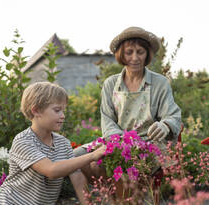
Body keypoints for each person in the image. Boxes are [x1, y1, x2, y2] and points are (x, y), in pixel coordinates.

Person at [0, 82, 105, 205]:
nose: (63, 115)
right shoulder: (23, 141)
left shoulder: (63, 144)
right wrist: (92, 155)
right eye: (57, 110)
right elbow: (51, 170)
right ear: (36, 110)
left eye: (63, 110)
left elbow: (77, 178)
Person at [75, 27, 181, 180]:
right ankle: (110, 192)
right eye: (129, 52)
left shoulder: (160, 83)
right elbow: (107, 119)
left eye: (140, 52)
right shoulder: (111, 84)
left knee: (102, 165)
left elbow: (172, 115)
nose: (135, 58)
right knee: (75, 155)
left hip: (148, 143)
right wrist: (120, 143)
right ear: (121, 55)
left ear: (147, 54)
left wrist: (165, 125)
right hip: (117, 141)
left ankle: (122, 194)